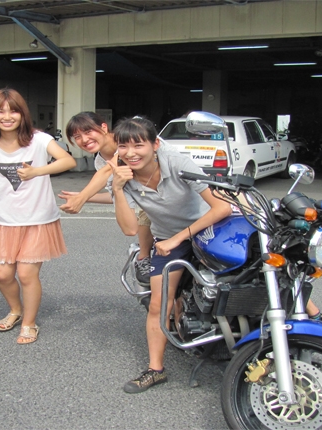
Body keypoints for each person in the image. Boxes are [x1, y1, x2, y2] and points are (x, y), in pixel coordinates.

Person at [106, 116, 232, 393]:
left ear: (155, 144)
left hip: (207, 228)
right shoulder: (122, 179)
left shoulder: (177, 162)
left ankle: (311, 317)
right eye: (123, 147)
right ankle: (155, 369)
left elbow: (221, 208)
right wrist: (116, 187)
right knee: (158, 304)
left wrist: (178, 237)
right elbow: (129, 228)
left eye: (138, 145)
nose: (130, 153)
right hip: (167, 239)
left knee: (255, 270)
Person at [0, 88, 76, 344]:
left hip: (38, 219)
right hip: (5, 220)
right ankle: (15, 309)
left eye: (13, 110)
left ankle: (29, 323)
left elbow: (68, 161)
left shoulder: (39, 140)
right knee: (2, 275)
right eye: (0, 111)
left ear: (22, 114)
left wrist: (37, 171)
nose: (7, 116)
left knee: (26, 274)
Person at [59, 112, 169, 285]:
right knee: (142, 207)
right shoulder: (100, 162)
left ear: (103, 127)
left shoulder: (128, 138)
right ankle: (143, 257)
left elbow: (111, 168)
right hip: (154, 203)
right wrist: (88, 198)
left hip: (174, 195)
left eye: (88, 132)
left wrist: (82, 196)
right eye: (77, 136)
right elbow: (118, 196)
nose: (84, 139)